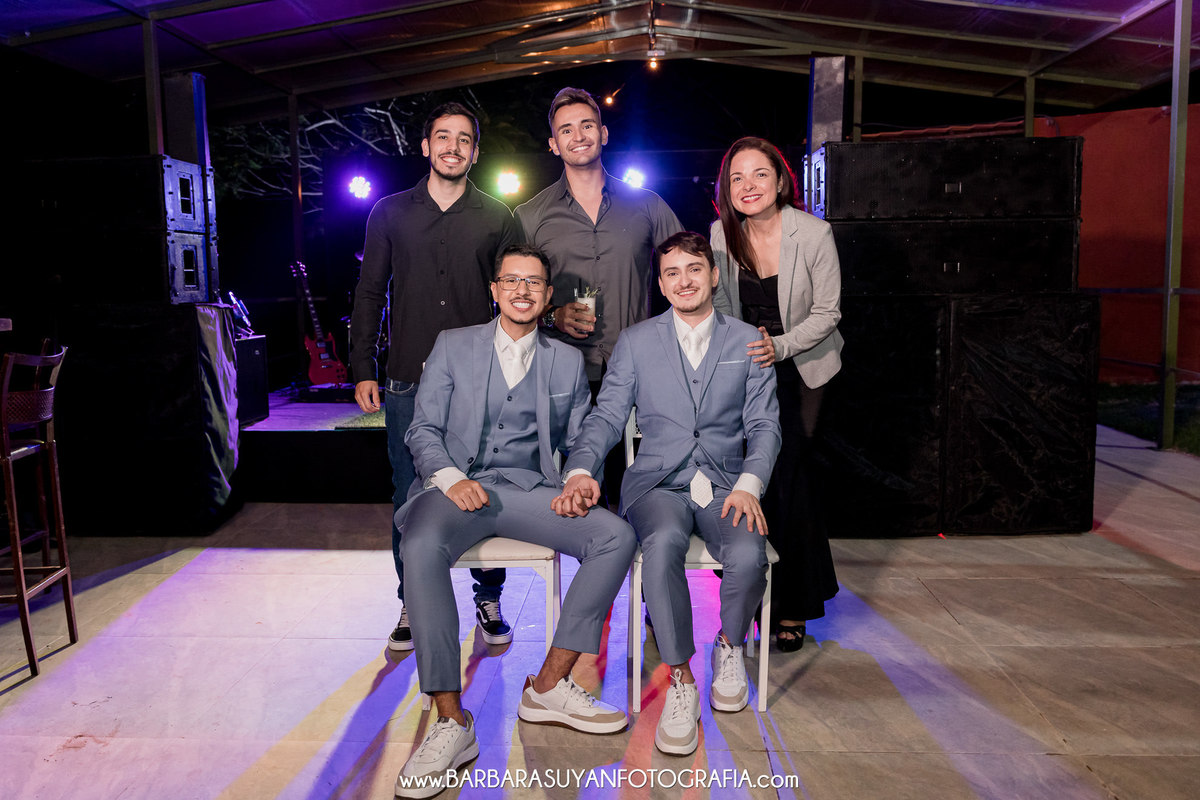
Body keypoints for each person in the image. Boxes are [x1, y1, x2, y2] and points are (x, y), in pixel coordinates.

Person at [393, 244, 636, 798]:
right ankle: (451, 721)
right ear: (494, 290)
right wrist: (450, 477)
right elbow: (422, 430)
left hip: (530, 490)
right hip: (456, 488)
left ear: (548, 296)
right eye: (511, 281)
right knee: (421, 546)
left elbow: (581, 437)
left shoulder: (566, 360)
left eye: (534, 283)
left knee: (615, 536)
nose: (522, 291)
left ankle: (549, 684)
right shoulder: (453, 345)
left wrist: (579, 475)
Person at [558, 231, 780, 757]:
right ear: (660, 285)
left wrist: (750, 484)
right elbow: (608, 415)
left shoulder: (748, 340)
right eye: (672, 273)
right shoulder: (636, 342)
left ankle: (729, 645)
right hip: (657, 482)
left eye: (694, 269)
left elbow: (764, 425)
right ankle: (681, 677)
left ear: (713, 275)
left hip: (726, 483)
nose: (684, 281)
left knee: (749, 554)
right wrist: (580, 468)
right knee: (661, 548)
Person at [350, 102, 522, 654]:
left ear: (475, 151)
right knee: (409, 492)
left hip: (482, 381)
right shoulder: (389, 213)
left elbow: (515, 295)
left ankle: (488, 598)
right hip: (408, 379)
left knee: (487, 488)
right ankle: (413, 599)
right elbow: (370, 292)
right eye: (443, 137)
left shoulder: (498, 216)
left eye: (464, 139)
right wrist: (362, 366)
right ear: (425, 147)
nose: (453, 147)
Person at [515, 86, 682, 504]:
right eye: (566, 130)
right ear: (554, 144)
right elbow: (513, 297)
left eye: (587, 125)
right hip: (563, 371)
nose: (578, 136)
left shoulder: (647, 205)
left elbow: (688, 273)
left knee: (638, 487)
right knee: (574, 486)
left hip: (637, 370)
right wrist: (552, 315)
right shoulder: (530, 215)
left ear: (603, 134)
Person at [710, 136, 843, 651]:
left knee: (792, 480)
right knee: (752, 479)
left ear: (781, 180)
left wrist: (779, 347)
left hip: (804, 367)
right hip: (749, 367)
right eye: (737, 177)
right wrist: (743, 355)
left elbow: (828, 313)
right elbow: (723, 308)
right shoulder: (721, 235)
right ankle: (752, 590)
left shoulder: (813, 232)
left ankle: (792, 605)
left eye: (759, 174)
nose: (748, 186)